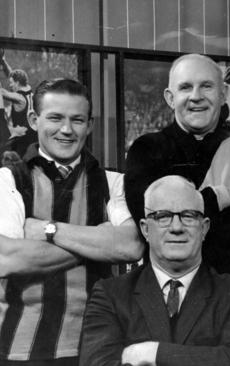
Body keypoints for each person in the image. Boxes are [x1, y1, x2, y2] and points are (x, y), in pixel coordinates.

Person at [0, 78, 143, 365]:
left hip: (98, 349)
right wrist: (98, 243)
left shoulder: (114, 182)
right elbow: (7, 258)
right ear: (33, 120)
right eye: (55, 118)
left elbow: (131, 245)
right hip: (17, 349)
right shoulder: (8, 180)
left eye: (77, 120)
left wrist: (47, 230)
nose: (66, 130)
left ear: (89, 125)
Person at [125, 53, 230, 282]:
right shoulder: (146, 149)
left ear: (223, 94)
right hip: (165, 287)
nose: (196, 97)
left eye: (206, 86)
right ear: (170, 98)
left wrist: (177, 213)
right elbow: (149, 224)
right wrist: (218, 197)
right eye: (185, 87)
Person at [80, 175, 230, 366]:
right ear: (145, 229)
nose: (176, 227)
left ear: (204, 228)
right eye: (163, 216)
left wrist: (154, 353)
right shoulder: (110, 294)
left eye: (188, 216)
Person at [0, 50, 37, 157]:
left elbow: (1, 91)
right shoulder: (30, 93)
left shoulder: (19, 98)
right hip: (32, 138)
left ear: (17, 83)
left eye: (11, 83)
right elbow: (12, 75)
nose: (10, 85)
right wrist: (3, 61)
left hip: (22, 141)